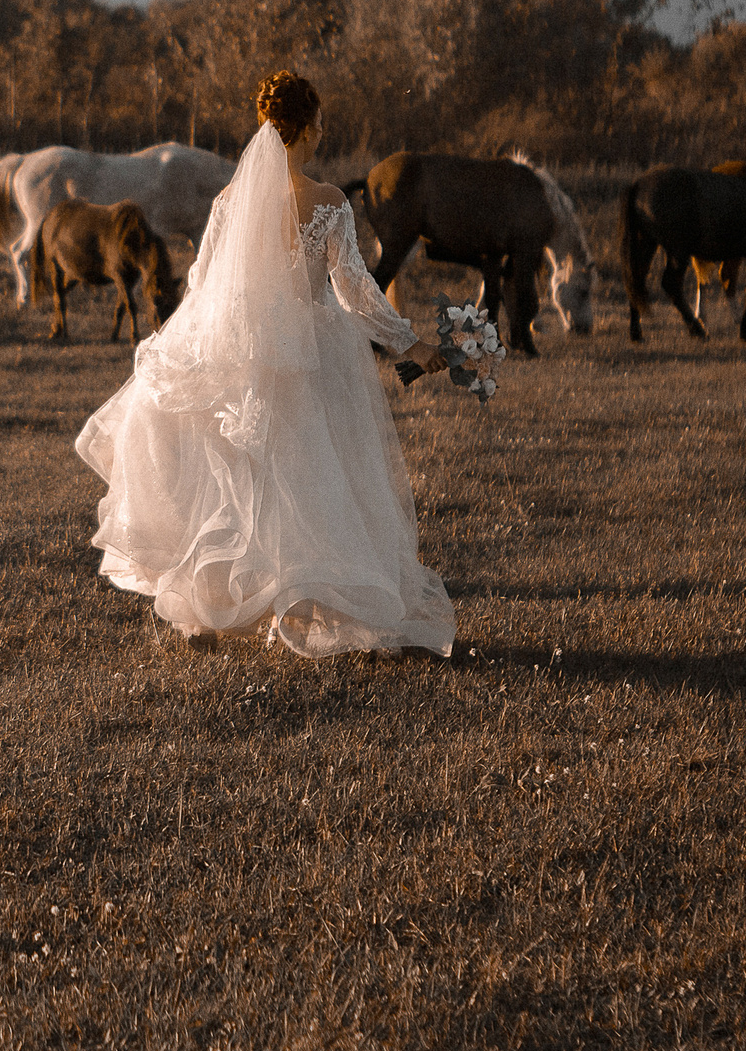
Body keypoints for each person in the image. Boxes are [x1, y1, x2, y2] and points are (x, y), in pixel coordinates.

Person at [75, 70, 482, 658]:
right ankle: (308, 600)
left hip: (242, 351)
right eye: (320, 123)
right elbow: (355, 293)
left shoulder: (227, 204)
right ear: (307, 129)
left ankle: (222, 605)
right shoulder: (329, 202)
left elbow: (202, 283)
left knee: (246, 481)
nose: (323, 132)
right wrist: (409, 342)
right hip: (310, 356)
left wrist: (191, 339)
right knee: (312, 477)